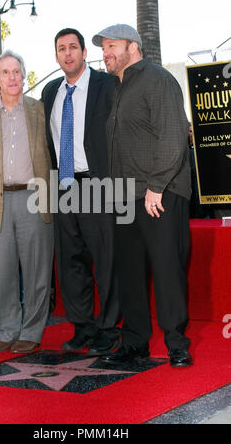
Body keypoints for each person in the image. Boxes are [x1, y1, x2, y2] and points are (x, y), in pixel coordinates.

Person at [92, 24, 193, 367]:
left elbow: (174, 136)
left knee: (167, 269)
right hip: (125, 196)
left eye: (111, 46)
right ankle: (135, 343)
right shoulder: (117, 87)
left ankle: (177, 344)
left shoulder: (158, 79)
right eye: (103, 47)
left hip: (159, 193)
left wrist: (156, 186)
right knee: (130, 273)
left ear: (132, 47)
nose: (105, 52)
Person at [0, 50, 54, 354]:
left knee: (36, 271)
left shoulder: (40, 110)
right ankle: (7, 331)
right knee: (1, 271)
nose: (12, 77)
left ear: (23, 76)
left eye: (17, 71)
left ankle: (31, 331)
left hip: (35, 198)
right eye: (6, 72)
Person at [41, 28, 120, 355]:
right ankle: (82, 326)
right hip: (63, 185)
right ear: (57, 55)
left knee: (106, 258)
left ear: (85, 52)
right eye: (62, 48)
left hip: (98, 183)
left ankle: (108, 327)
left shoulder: (107, 85)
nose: (68, 53)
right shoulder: (50, 92)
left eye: (73, 47)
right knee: (70, 260)